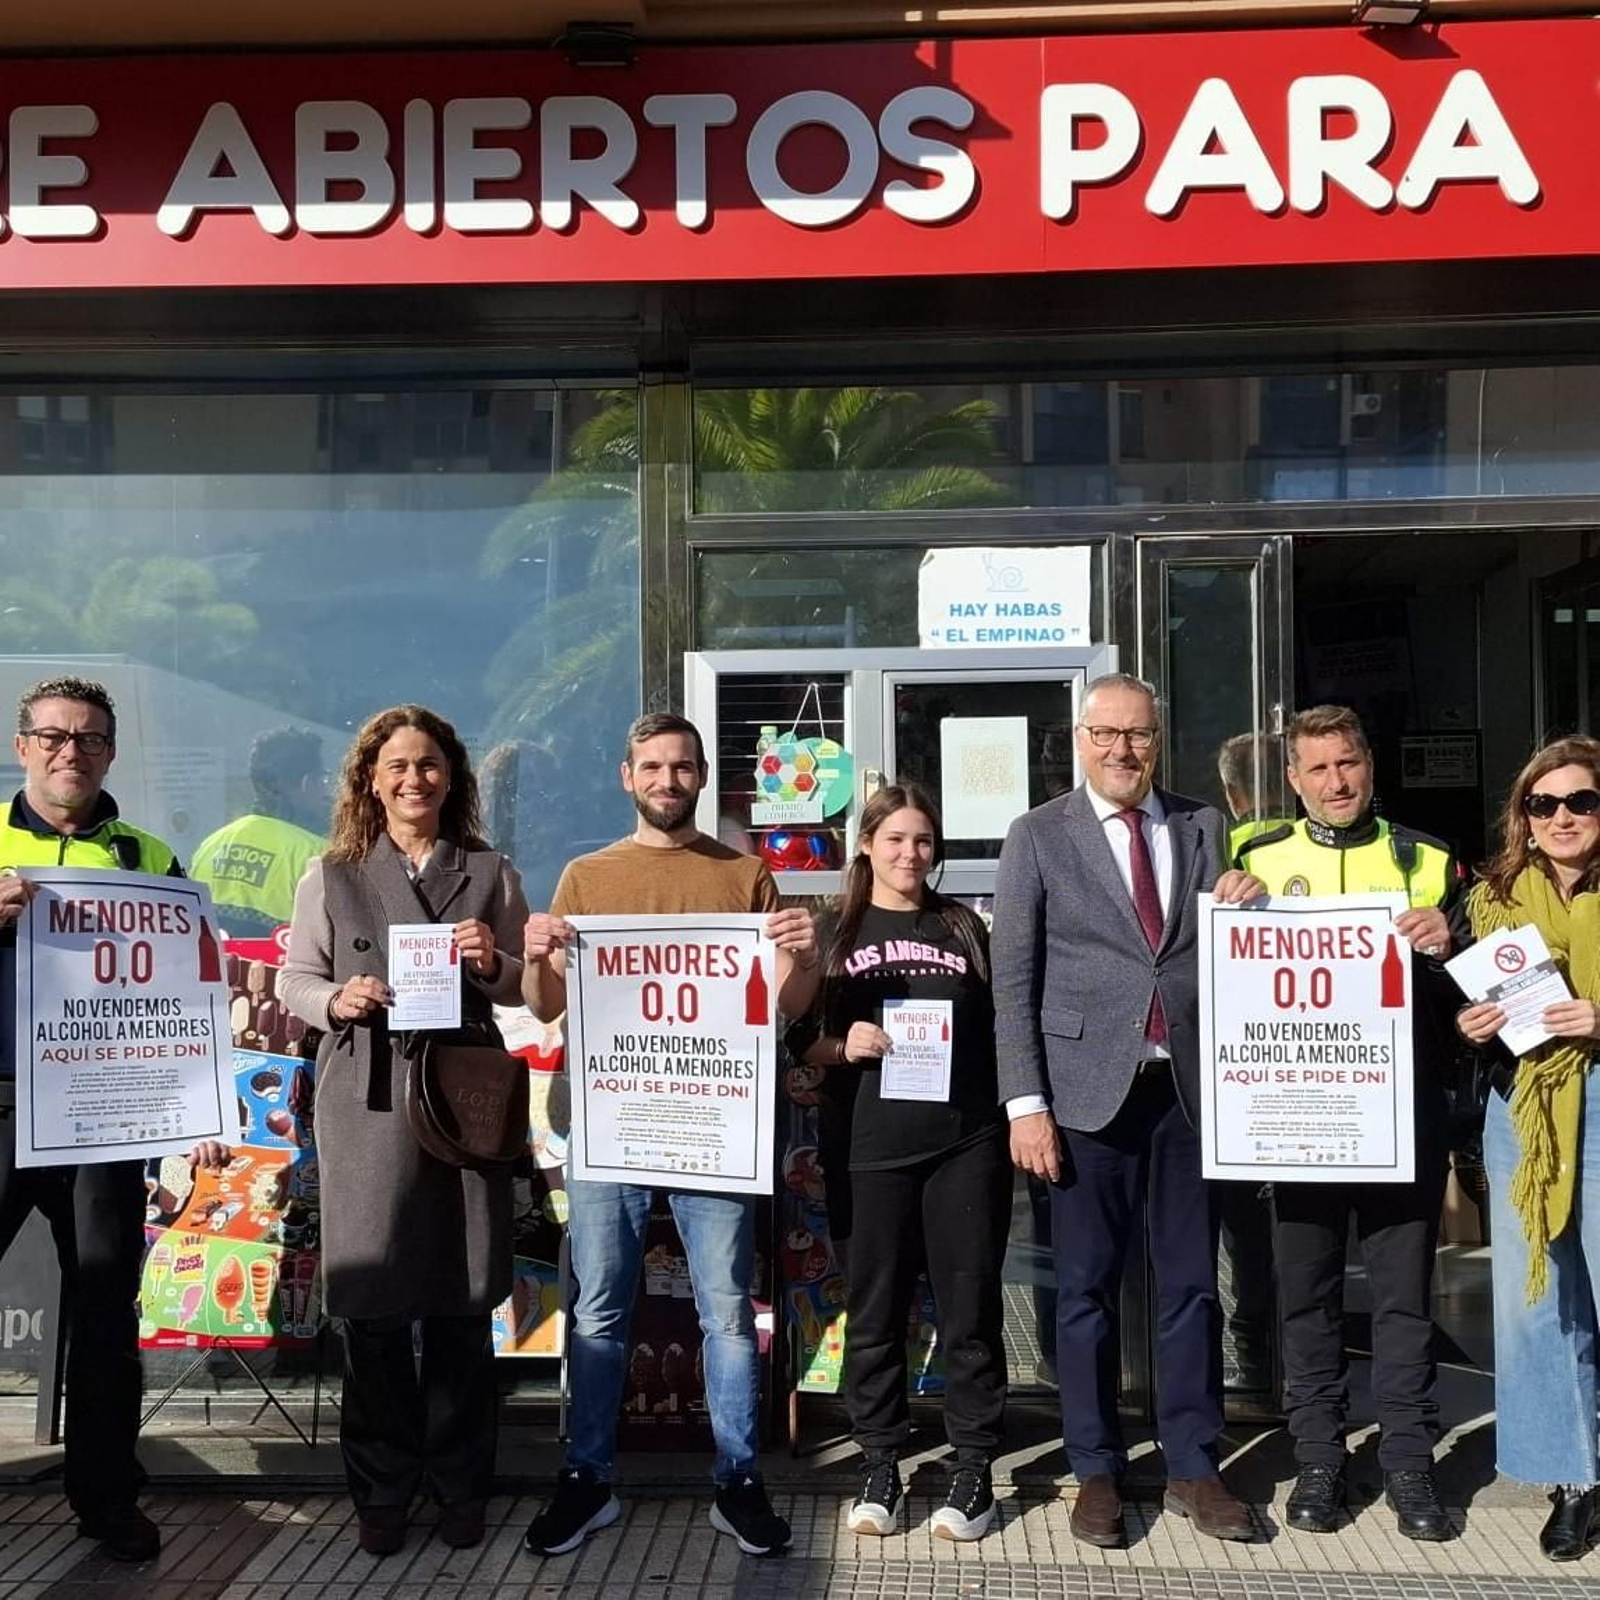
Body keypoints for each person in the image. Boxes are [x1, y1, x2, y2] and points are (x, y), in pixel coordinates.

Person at [520, 712, 820, 1559]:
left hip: (710, 1124)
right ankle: (587, 1477)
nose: (666, 779)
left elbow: (790, 1008)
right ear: (627, 776)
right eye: (651, 766)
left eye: (681, 766)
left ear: (701, 778)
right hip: (608, 1123)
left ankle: (737, 1480)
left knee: (727, 1311)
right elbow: (546, 1005)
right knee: (599, 1310)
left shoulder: (748, 875)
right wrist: (541, 949)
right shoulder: (585, 875)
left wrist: (804, 950)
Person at [993, 672, 1265, 1549]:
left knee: (1191, 1288)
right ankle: (1097, 1469)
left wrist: (1248, 908)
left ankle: (1192, 1462)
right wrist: (1025, 1104)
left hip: (1184, 1092)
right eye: (1108, 734)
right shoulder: (1038, 835)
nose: (1124, 751)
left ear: (1158, 740)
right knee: (1084, 1292)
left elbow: (1227, 950)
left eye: (1140, 735)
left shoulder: (1203, 826)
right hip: (1081, 1099)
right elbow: (1014, 981)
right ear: (1080, 739)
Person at [277, 704, 531, 1557]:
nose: (414, 779)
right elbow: (295, 977)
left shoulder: (491, 872)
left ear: (452, 776)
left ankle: (462, 1485)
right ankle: (382, 1491)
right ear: (370, 780)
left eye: (429, 764)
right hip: (366, 1094)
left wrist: (491, 962)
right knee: (374, 1304)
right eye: (397, 766)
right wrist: (335, 1000)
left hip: (466, 1096)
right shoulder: (332, 873)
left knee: (462, 1299)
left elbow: (523, 989)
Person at [0, 675, 226, 1563]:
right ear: (22, 746)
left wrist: (193, 1103)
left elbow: (187, 984)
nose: (71, 751)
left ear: (111, 754)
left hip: (102, 1123)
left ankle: (105, 1499)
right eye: (53, 736)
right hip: (5, 1101)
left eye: (89, 739)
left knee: (105, 1311)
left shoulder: (150, 859)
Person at [1236, 704, 1466, 1541]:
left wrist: (1450, 941)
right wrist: (1232, 907)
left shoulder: (1432, 860)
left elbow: (1474, 992)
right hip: (1299, 1117)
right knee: (1307, 1299)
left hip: (1401, 1117)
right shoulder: (1253, 856)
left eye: (1348, 763)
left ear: (1370, 764)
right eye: (1318, 769)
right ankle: (1320, 1459)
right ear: (1293, 780)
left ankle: (1408, 1463)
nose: (1337, 783)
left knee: (1404, 1302)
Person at [791, 783, 1010, 1541]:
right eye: (894, 840)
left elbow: (998, 1032)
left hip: (966, 1145)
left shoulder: (964, 926)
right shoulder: (833, 931)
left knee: (969, 1309)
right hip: (868, 1149)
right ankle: (881, 1461)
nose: (910, 854)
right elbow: (796, 1043)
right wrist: (839, 1046)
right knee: (875, 1316)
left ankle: (975, 1470)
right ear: (865, 845)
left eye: (922, 841)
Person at [1457, 736, 1600, 1561]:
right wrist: (1470, 1025)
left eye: (1580, 801)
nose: (1561, 818)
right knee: (1537, 1305)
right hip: (1525, 1114)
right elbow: (1479, 1010)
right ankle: (1572, 1479)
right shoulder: (1493, 899)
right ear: (1524, 816)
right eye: (1543, 805)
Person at [191, 727, 327, 938]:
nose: (325, 792)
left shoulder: (211, 845)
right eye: (323, 780)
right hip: (280, 969)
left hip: (219, 968)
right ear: (307, 783)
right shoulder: (316, 853)